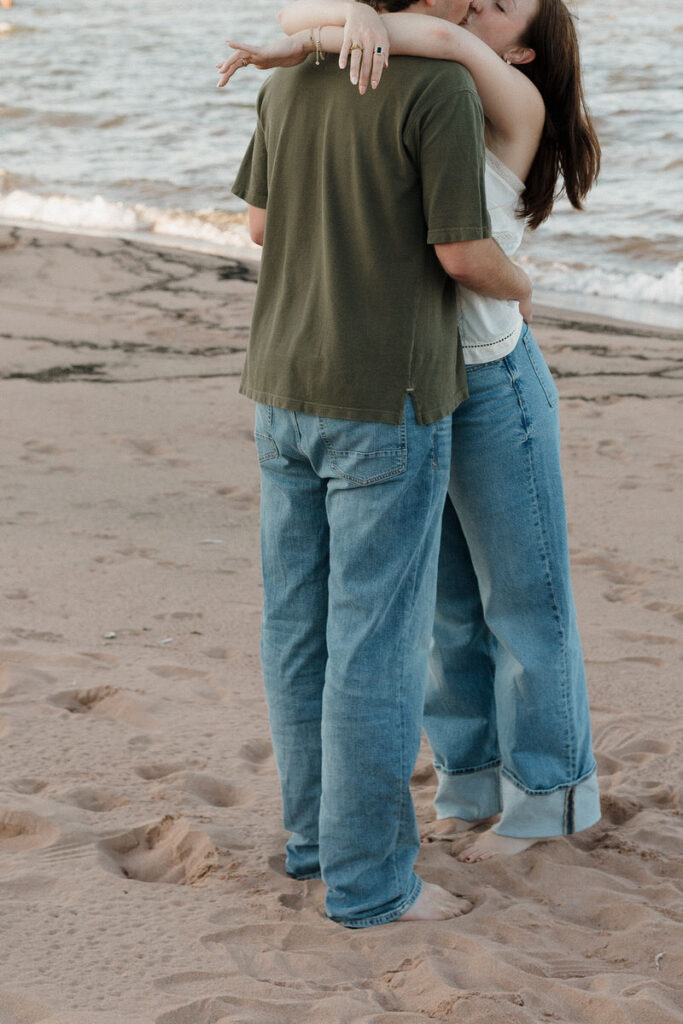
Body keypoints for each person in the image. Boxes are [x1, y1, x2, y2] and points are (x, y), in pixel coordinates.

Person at [220, 0, 602, 864]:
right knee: (446, 610)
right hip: (406, 380)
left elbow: (434, 33)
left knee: (524, 602)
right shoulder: (421, 87)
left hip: (491, 379)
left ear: (524, 51)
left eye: (499, 8)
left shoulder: (510, 100)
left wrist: (522, 285)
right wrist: (331, 27)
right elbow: (394, 31)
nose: (477, 6)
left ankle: (548, 799)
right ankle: (470, 784)